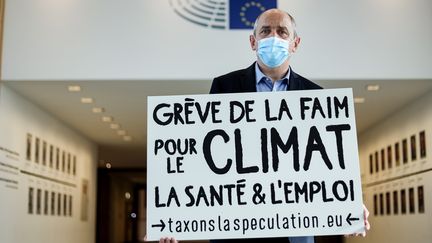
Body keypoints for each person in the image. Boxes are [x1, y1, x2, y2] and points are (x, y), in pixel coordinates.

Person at [154, 8, 370, 243]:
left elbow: (327, 166)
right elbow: (203, 159)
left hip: (293, 230)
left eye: (282, 32)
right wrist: (174, 217)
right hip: (235, 227)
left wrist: (349, 206)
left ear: (295, 43)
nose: (273, 37)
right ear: (253, 41)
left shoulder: (315, 96)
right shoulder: (224, 87)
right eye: (265, 31)